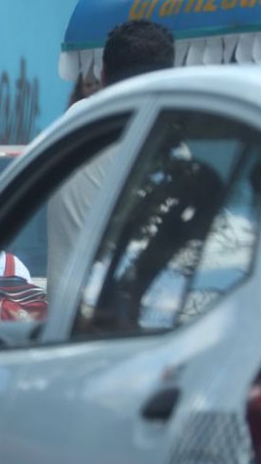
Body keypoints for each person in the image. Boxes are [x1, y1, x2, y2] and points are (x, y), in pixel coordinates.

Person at [47, 20, 175, 299]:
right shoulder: (161, 145)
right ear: (170, 80)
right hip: (118, 316)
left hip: (64, 314)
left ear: (103, 75)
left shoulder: (74, 119)